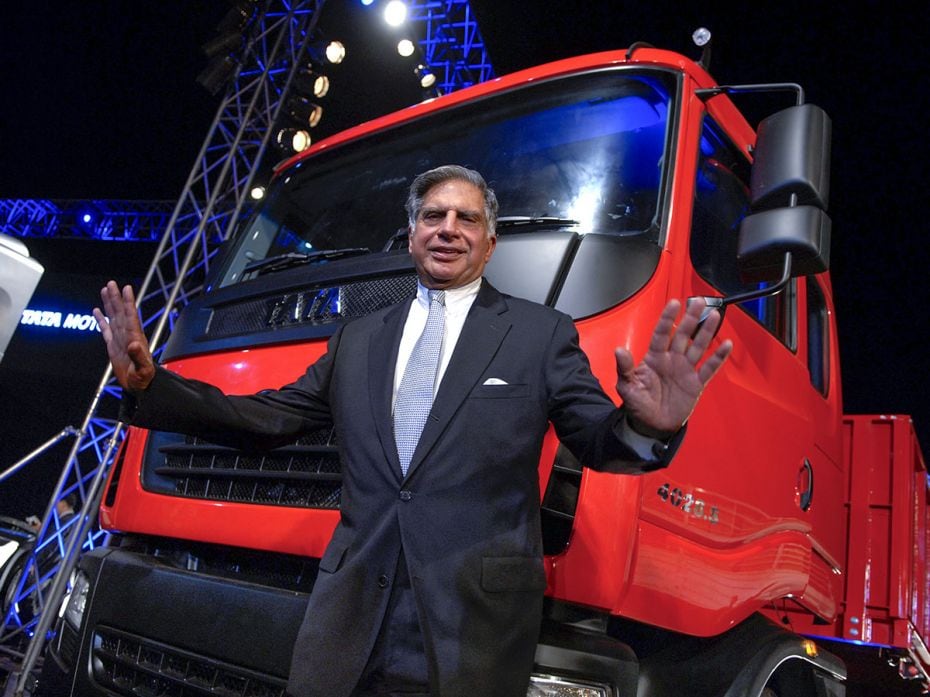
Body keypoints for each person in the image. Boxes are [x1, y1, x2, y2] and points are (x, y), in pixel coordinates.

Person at [94, 165, 732, 697]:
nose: (448, 229)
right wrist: (152, 387)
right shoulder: (358, 339)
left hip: (469, 632)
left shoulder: (541, 334)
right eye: (433, 216)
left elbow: (597, 440)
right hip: (349, 622)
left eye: (467, 219)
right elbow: (267, 418)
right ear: (411, 236)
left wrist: (648, 423)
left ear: (490, 242)